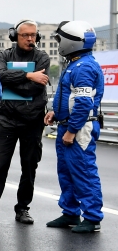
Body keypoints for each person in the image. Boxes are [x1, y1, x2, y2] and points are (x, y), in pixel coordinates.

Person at [0, 20, 50, 225]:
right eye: (25, 35)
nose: (30, 39)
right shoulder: (4, 55)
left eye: (33, 35)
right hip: (8, 120)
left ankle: (23, 209)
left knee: (29, 166)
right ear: (16, 36)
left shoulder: (42, 57)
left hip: (33, 121)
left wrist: (13, 81)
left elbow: (34, 89)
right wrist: (28, 76)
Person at [44, 20, 104, 233]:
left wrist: (71, 131)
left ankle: (92, 217)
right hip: (68, 125)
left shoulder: (84, 66)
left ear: (71, 42)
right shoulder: (76, 63)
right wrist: (54, 112)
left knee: (84, 171)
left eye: (60, 39)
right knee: (67, 172)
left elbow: (83, 104)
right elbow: (69, 98)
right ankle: (70, 213)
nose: (58, 43)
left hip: (79, 129)